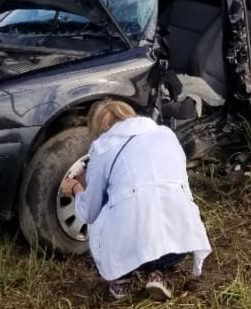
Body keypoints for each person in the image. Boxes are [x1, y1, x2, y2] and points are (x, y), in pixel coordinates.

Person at [59, 100, 211, 301]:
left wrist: (77, 188)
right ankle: (157, 272)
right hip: (180, 239)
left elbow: (90, 211)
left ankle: (121, 279)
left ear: (100, 128)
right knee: (155, 201)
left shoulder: (102, 147)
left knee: (111, 202)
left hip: (129, 239)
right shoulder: (166, 134)